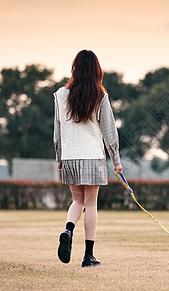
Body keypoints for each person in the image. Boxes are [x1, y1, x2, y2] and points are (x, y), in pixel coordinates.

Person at [53, 50, 123, 267]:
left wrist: (59, 157)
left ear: (75, 68)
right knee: (90, 204)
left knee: (77, 201)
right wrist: (116, 161)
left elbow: (57, 131)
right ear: (96, 70)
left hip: (70, 156)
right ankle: (88, 256)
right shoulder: (100, 96)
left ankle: (68, 229)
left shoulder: (60, 95)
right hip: (93, 156)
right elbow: (110, 131)